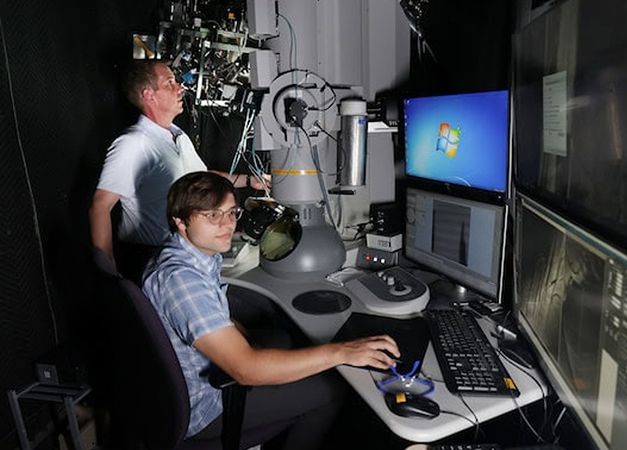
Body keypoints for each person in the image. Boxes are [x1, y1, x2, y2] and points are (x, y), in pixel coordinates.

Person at [142, 172, 399, 448]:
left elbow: (219, 315)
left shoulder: (189, 255)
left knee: (287, 340)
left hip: (193, 383)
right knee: (332, 387)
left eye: (231, 212)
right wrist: (342, 351)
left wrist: (248, 342)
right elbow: (245, 369)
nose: (227, 224)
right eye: (212, 216)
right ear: (180, 221)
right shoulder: (181, 280)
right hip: (207, 409)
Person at [89, 59, 264, 277]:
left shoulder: (177, 135)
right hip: (150, 260)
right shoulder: (133, 144)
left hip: (185, 255)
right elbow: (100, 206)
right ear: (148, 95)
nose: (179, 87)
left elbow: (200, 178)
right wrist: (109, 274)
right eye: (170, 83)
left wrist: (249, 181)